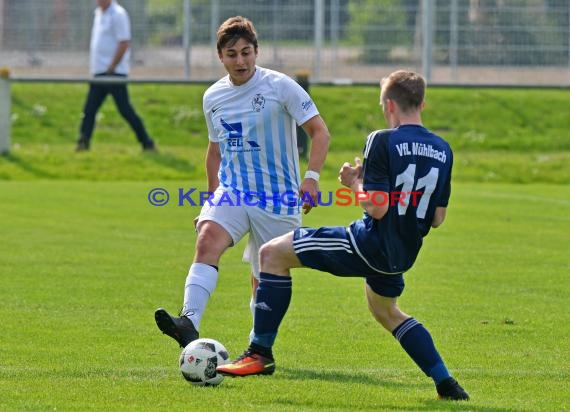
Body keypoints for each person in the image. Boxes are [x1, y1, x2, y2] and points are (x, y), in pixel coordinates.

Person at [217, 70, 470, 401]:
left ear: (389, 104)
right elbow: (437, 218)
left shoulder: (382, 139)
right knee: (387, 312)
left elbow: (376, 208)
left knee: (271, 254)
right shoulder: (443, 149)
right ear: (422, 103)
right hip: (403, 253)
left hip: (369, 243)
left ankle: (259, 352)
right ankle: (447, 384)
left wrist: (353, 182)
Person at [154, 16, 330, 350]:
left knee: (265, 278)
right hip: (233, 192)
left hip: (278, 198)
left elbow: (320, 132)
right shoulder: (213, 97)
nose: (240, 61)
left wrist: (311, 178)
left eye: (246, 52)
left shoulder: (280, 86)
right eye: (232, 54)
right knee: (207, 239)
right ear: (220, 57)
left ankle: (258, 346)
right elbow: (214, 151)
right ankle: (187, 322)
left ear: (256, 52)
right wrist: (209, 201)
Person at [76, 0, 156, 152]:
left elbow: (124, 42)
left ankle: (147, 142)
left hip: (114, 73)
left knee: (125, 110)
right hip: (99, 73)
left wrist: (112, 67)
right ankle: (83, 142)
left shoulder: (118, 14)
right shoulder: (98, 13)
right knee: (89, 109)